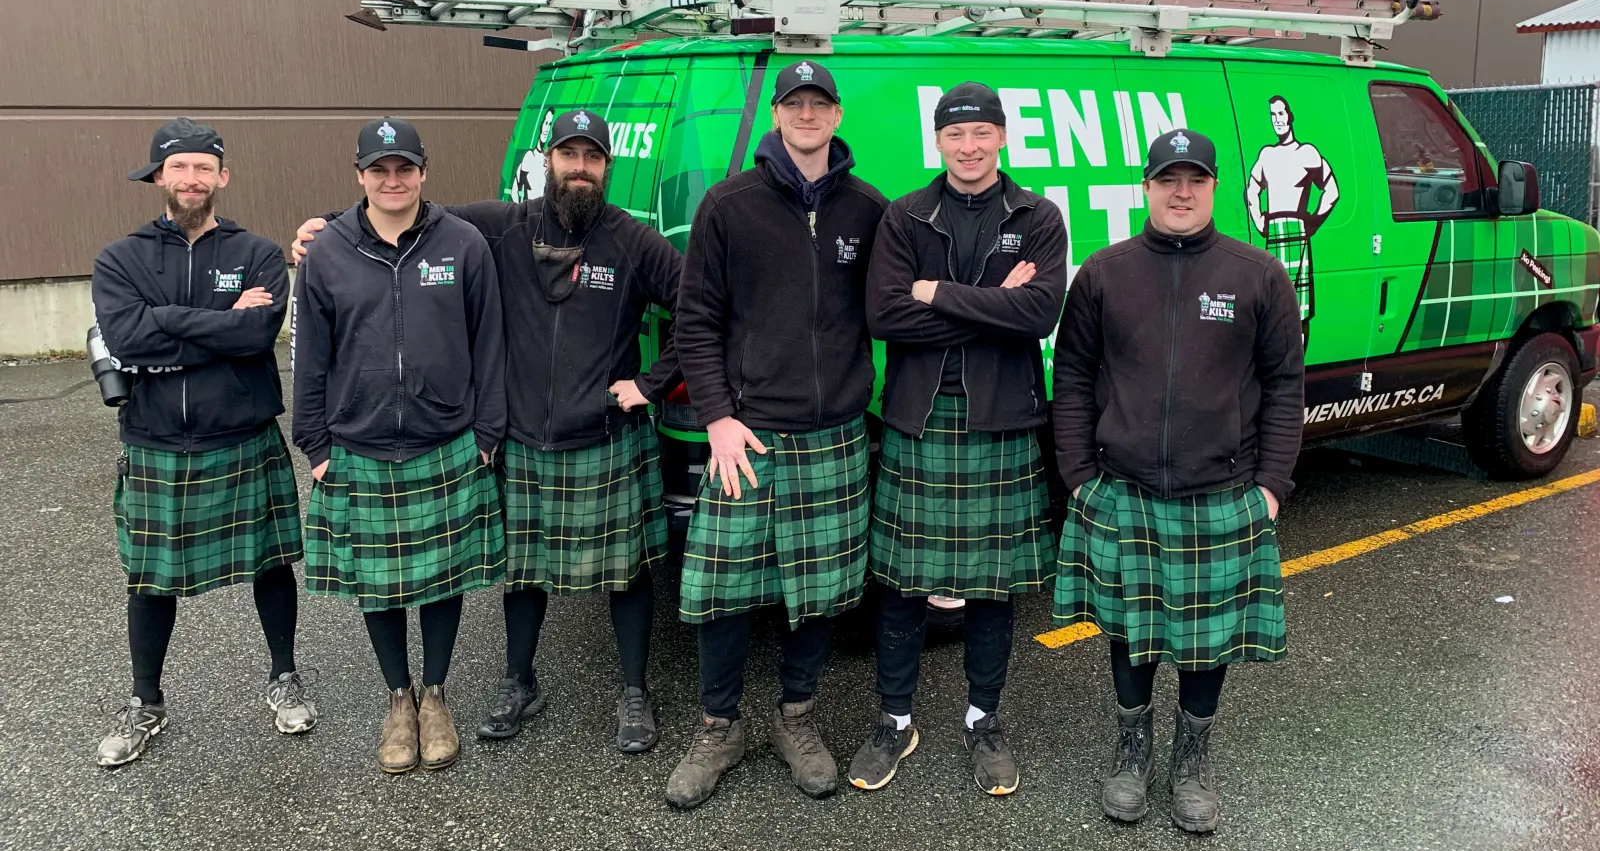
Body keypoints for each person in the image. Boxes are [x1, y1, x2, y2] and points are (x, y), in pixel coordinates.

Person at [292, 109, 681, 754]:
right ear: (548, 161)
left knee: (628, 572)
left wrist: (652, 382)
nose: (578, 168)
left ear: (608, 168)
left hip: (609, 435)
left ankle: (634, 690)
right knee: (525, 573)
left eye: (592, 157)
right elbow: (405, 209)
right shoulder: (501, 225)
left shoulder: (633, 240)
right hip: (525, 437)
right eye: (568, 155)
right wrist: (327, 225)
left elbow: (699, 305)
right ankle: (519, 682)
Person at [1052, 128, 1303, 833]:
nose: (1182, 191)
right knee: (1131, 633)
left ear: (1215, 187)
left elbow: (1286, 386)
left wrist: (1273, 486)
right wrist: (1078, 475)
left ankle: (1191, 759)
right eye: (1168, 179)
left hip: (1221, 495)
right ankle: (1132, 750)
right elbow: (1070, 378)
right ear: (1148, 186)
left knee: (1207, 637)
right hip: (1121, 491)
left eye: (1195, 179)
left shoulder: (1258, 275)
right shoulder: (1103, 273)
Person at [665, 60, 888, 810]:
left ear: (836, 113)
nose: (806, 113)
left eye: (818, 101)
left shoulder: (868, 209)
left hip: (835, 435)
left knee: (819, 595)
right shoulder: (729, 205)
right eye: (794, 101)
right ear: (780, 113)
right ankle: (718, 727)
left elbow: (893, 304)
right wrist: (719, 419)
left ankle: (798, 718)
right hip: (748, 436)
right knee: (725, 594)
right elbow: (694, 321)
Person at [850, 82, 1067, 796]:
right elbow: (884, 316)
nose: (968, 147)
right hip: (920, 417)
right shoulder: (906, 215)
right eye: (955, 135)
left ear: (1002, 137)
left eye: (981, 133)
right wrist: (994, 302)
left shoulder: (1038, 216)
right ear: (937, 141)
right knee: (902, 584)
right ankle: (894, 718)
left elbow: (1037, 313)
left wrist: (935, 292)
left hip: (1000, 419)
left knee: (994, 588)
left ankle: (983, 718)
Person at [91, 117, 315, 767]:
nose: (192, 178)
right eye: (179, 166)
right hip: (157, 439)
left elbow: (254, 338)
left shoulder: (258, 253)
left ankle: (283, 677)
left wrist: (169, 323)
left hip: (241, 433)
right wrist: (219, 320)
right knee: (149, 580)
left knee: (271, 563)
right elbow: (126, 339)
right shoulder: (121, 257)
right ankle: (145, 702)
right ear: (158, 176)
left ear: (223, 176)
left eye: (203, 166)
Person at [292, 118, 506, 775]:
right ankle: (397, 698)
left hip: (447, 443)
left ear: (422, 172)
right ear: (360, 175)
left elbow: (490, 345)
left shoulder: (463, 245)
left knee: (444, 581)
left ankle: (435, 695)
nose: (393, 180)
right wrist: (315, 445)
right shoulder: (328, 253)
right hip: (359, 446)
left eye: (404, 168)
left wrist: (487, 436)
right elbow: (309, 358)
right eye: (379, 169)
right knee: (378, 587)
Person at [1246, 95, 1339, 347]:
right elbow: (1251, 189)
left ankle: (1294, 362)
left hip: (1297, 229)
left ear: (1291, 116)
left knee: (1299, 307)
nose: (1277, 120)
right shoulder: (1267, 154)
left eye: (1281, 113)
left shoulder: (1306, 152)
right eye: (1273, 115)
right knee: (1273, 301)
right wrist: (1260, 220)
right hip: (1274, 229)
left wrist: (1313, 222)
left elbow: (1331, 189)